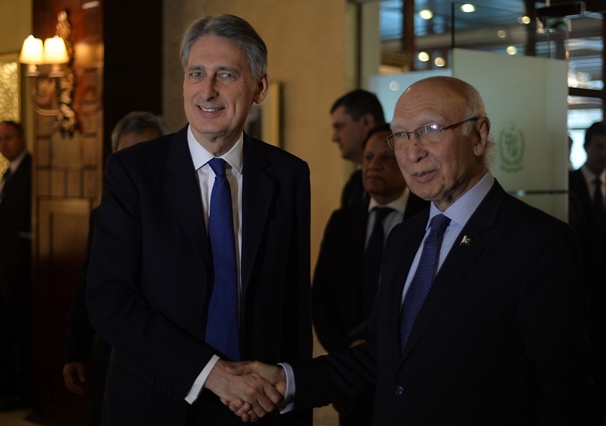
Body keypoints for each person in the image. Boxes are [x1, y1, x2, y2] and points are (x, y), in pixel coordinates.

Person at [227, 76, 601, 425]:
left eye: (431, 130)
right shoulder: (405, 237)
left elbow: (565, 390)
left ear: (478, 135)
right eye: (400, 136)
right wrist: (287, 379)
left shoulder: (538, 242)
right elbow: (383, 357)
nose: (412, 152)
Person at [86, 14, 312, 426]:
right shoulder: (133, 172)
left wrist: (293, 407)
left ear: (259, 87)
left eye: (225, 74)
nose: (207, 90)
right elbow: (109, 300)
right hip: (155, 404)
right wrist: (212, 374)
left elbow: (292, 306)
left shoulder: (289, 175)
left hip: (256, 408)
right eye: (196, 73)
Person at [312, 123, 427, 425]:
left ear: (405, 162)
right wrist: (344, 350)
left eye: (386, 159)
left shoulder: (428, 218)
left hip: (411, 373)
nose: (374, 166)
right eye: (368, 158)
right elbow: (320, 297)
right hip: (353, 381)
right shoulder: (343, 222)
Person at [62, 111, 169, 425]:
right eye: (128, 156)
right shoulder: (104, 214)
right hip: (117, 358)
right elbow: (90, 285)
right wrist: (75, 350)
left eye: (147, 154)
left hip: (176, 357)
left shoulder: (196, 208)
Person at [568, 121, 606, 420]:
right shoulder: (568, 185)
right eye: (599, 147)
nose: (603, 154)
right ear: (586, 148)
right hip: (581, 283)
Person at [0, 121, 32, 411]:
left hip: (23, 268)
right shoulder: (8, 173)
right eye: (0, 140)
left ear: (22, 138)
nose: (4, 144)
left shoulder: (31, 170)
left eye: (8, 138)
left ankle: (26, 391)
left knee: (23, 331)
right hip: (6, 267)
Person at [330, 89, 386, 208]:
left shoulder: (405, 179)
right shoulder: (353, 186)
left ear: (366, 122)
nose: (334, 138)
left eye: (339, 127)